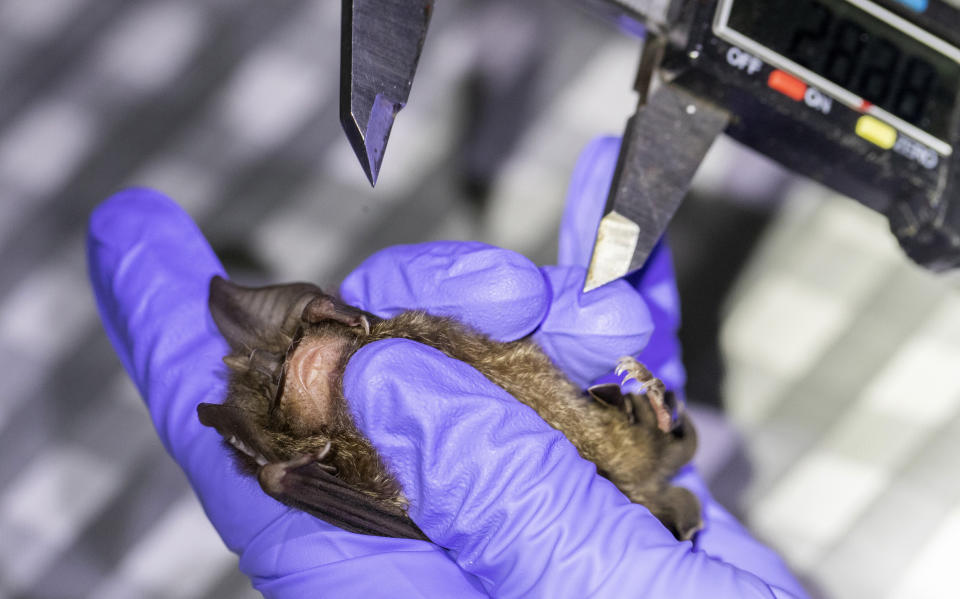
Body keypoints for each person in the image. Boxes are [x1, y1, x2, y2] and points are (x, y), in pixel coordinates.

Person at [87, 137, 808, 598]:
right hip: (627, 485)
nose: (321, 363)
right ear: (310, 455)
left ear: (336, 319)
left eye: (320, 342)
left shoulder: (394, 337)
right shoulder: (320, 468)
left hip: (625, 470)